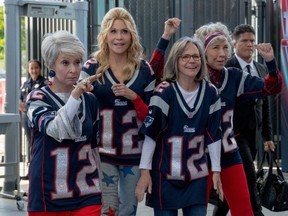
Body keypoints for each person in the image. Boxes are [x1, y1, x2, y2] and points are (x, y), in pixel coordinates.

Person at [148, 21, 282, 216]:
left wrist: (270, 61)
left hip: (227, 153)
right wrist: (165, 37)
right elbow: (152, 76)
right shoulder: (188, 78)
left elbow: (270, 88)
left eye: (226, 47)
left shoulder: (234, 76)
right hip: (196, 157)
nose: (222, 53)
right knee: (195, 211)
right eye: (215, 47)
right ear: (202, 50)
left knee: (245, 209)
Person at [135, 36, 223, 216]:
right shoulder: (164, 92)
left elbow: (214, 135)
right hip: (165, 176)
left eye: (196, 56)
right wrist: (144, 172)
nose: (192, 61)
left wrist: (216, 170)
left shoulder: (210, 92)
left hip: (196, 177)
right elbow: (151, 135)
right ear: (175, 60)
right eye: (185, 57)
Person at [80, 7, 155, 216]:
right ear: (105, 34)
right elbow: (79, 111)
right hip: (102, 153)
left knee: (128, 210)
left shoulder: (144, 69)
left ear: (132, 35)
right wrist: (85, 95)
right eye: (113, 31)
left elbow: (153, 118)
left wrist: (135, 98)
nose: (119, 37)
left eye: (124, 31)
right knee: (107, 211)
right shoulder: (91, 68)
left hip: (134, 154)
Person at [26, 30, 102, 215]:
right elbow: (57, 129)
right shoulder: (37, 97)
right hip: (48, 194)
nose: (74, 69)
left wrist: (105, 189)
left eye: (77, 62)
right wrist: (75, 96)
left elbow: (94, 148)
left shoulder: (90, 100)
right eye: (65, 63)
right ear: (51, 64)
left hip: (87, 192)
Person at [212, 24, 276, 216]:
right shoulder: (225, 66)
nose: (249, 44)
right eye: (244, 41)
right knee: (249, 184)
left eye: (252, 41)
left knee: (233, 191)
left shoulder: (260, 68)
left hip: (252, 135)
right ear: (235, 43)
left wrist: (267, 136)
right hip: (233, 136)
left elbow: (265, 105)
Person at [19, 59, 47, 162]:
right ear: (28, 70)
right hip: (26, 116)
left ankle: (38, 165)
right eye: (31, 68)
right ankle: (30, 166)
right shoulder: (26, 83)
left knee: (37, 141)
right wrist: (20, 104)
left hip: (37, 117)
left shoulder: (44, 83)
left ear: (40, 69)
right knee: (29, 141)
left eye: (36, 68)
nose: (34, 70)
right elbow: (20, 98)